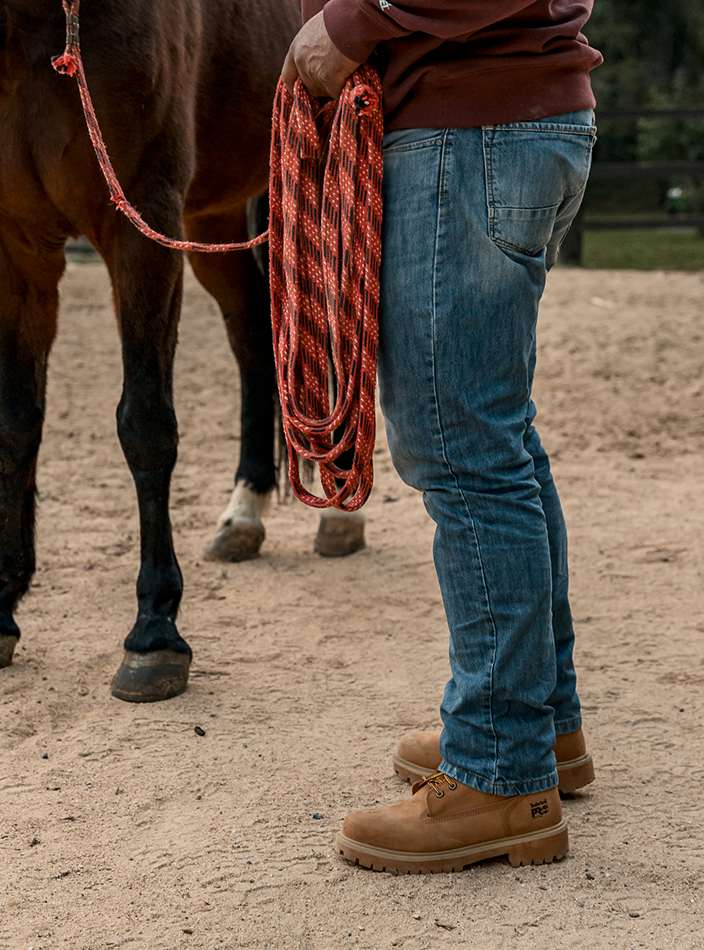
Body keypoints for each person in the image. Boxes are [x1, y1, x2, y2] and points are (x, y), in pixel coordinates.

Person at [281, 1, 603, 874]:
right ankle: (543, 724)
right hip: (507, 123)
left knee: (462, 451)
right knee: (500, 440)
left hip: (469, 134)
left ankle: (501, 773)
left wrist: (351, 22)